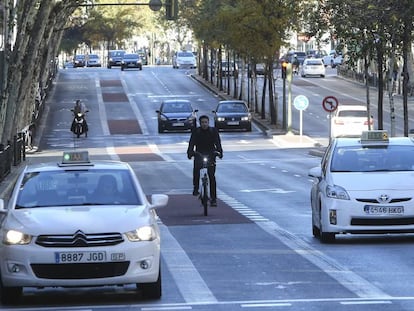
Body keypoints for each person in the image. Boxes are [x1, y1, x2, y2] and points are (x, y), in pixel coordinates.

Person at [187, 115, 223, 207]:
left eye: (206, 122)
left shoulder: (213, 131)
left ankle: (213, 199)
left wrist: (219, 152)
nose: (204, 124)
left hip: (211, 154)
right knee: (196, 170)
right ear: (200, 123)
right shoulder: (196, 131)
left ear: (208, 122)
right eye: (202, 122)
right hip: (199, 154)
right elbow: (191, 143)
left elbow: (218, 142)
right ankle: (196, 188)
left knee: (212, 176)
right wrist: (190, 153)